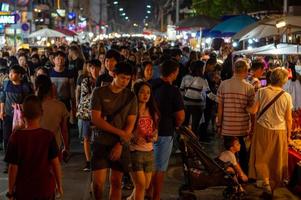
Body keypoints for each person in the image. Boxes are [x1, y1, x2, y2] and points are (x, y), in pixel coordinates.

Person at [90, 62, 137, 199]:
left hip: (120, 144)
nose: (125, 82)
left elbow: (130, 123)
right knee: (98, 183)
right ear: (114, 75)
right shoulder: (99, 92)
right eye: (122, 78)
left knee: (116, 182)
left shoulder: (130, 96)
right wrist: (121, 133)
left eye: (128, 79)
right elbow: (96, 119)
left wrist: (120, 143)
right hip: (100, 141)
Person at [4, 95, 63, 199]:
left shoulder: (16, 137)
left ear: (22, 114)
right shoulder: (48, 136)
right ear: (41, 113)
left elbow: (13, 167)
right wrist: (59, 185)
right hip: (45, 188)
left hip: (24, 190)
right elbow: (55, 164)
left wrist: (10, 190)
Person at [247, 67, 293, 198]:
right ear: (283, 81)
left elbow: (253, 111)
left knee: (262, 157)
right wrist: (288, 136)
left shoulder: (262, 92)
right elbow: (288, 119)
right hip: (280, 131)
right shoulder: (287, 96)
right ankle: (272, 185)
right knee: (275, 159)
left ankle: (265, 183)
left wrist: (245, 107)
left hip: (262, 129)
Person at [149, 59, 185, 200]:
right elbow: (180, 116)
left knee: (149, 165)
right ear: (174, 72)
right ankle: (155, 196)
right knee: (160, 167)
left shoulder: (151, 85)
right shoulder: (172, 90)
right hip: (164, 131)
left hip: (147, 131)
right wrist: (177, 124)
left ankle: (146, 192)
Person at [217, 59, 255, 174]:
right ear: (245, 71)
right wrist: (252, 126)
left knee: (228, 152)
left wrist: (219, 124)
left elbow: (220, 108)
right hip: (242, 126)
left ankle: (228, 175)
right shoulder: (249, 87)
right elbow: (251, 109)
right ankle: (242, 174)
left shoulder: (224, 84)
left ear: (234, 70)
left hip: (227, 126)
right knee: (242, 151)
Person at [127, 81, 159, 200]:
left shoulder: (152, 111)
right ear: (136, 93)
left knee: (144, 186)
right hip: (134, 152)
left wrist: (153, 137)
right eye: (142, 92)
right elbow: (124, 130)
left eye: (148, 93)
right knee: (140, 185)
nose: (145, 95)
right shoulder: (131, 111)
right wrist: (132, 138)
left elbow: (156, 133)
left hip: (149, 151)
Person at [0, 65, 32, 173]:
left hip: (20, 117)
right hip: (8, 116)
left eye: (13, 73)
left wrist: (19, 106)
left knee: (19, 139)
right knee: (6, 138)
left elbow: (28, 102)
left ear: (19, 75)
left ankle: (20, 161)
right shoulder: (6, 83)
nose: (10, 75)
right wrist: (1, 111)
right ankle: (8, 162)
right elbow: (2, 98)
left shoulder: (25, 87)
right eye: (10, 73)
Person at [35, 75, 69, 162]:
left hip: (35, 146)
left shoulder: (31, 104)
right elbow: (64, 130)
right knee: (54, 173)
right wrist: (66, 147)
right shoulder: (60, 106)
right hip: (54, 146)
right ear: (51, 87)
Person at [77, 59, 101, 171]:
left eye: (97, 68)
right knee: (86, 137)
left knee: (98, 138)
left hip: (100, 113)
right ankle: (88, 161)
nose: (94, 70)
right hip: (86, 113)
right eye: (92, 68)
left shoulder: (103, 80)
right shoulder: (85, 80)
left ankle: (97, 160)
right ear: (89, 69)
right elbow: (85, 97)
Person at [180, 61, 209, 137]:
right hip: (198, 105)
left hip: (186, 103)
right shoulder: (203, 80)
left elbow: (181, 91)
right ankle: (193, 144)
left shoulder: (185, 77)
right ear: (200, 68)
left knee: (185, 125)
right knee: (195, 127)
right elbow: (205, 94)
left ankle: (184, 143)